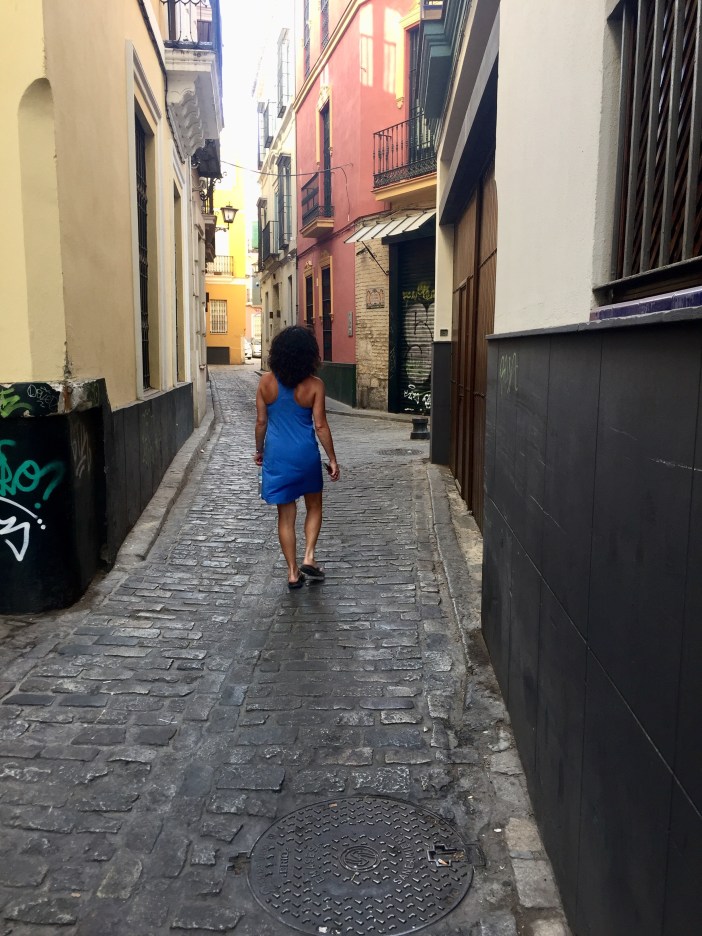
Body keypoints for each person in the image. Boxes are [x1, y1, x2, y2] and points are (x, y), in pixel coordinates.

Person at [254, 326, 340, 588]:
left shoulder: (266, 383)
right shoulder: (315, 386)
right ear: (308, 355)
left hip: (277, 457)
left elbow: (261, 422)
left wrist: (259, 450)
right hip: (306, 456)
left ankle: (293, 572)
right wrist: (332, 459)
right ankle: (309, 556)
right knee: (314, 506)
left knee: (285, 516)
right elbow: (320, 425)